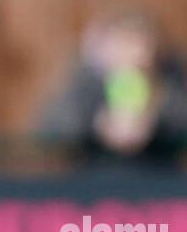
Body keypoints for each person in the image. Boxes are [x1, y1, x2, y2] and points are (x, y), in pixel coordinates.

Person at [37, 9, 187, 165]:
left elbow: (181, 121)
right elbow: (49, 130)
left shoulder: (169, 85)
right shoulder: (84, 87)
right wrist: (96, 125)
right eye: (121, 44)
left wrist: (156, 121)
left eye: (136, 43)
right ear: (99, 51)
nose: (128, 54)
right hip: (92, 178)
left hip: (158, 178)